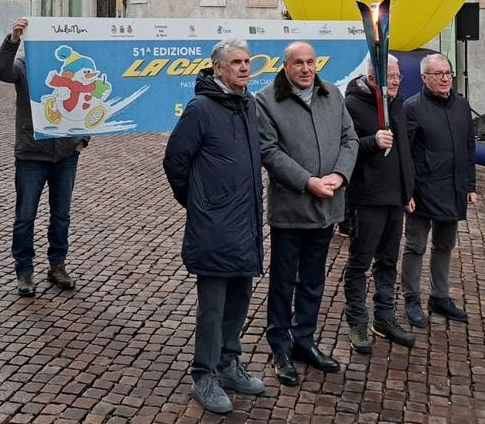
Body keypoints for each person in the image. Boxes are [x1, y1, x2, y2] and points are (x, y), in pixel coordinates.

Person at [162, 38, 267, 414]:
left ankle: (228, 364)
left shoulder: (248, 104)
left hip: (246, 224)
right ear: (219, 68)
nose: (244, 67)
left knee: (239, 298)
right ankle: (203, 376)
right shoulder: (200, 109)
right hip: (214, 226)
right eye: (236, 62)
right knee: (213, 306)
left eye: (247, 61)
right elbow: (175, 161)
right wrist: (198, 203)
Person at [256, 41, 358, 386]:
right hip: (291, 208)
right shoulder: (266, 101)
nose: (305, 69)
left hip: (327, 206)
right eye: (297, 63)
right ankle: (280, 347)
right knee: (283, 282)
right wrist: (306, 181)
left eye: (310, 62)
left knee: (313, 280)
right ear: (285, 66)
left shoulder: (332, 94)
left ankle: (304, 340)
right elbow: (269, 151)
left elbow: (349, 140)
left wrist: (339, 175)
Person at [0, 17, 88, 297]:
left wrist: (82, 139)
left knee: (61, 215)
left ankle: (57, 265)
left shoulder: (74, 72)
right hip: (31, 153)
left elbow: (90, 104)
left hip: (66, 154)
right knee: (25, 216)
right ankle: (24, 270)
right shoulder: (25, 66)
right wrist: (13, 40)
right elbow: (0, 71)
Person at [342, 55, 416, 354]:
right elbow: (344, 148)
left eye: (398, 76)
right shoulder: (352, 105)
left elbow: (404, 152)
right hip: (367, 199)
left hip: (395, 199)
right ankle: (357, 321)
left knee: (388, 262)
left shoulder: (397, 103)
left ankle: (384, 317)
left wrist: (407, 190)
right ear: (373, 79)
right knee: (359, 264)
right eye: (391, 77)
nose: (396, 81)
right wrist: (372, 141)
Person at [402, 53, 478, 326]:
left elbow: (469, 147)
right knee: (415, 245)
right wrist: (407, 191)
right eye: (439, 74)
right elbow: (405, 154)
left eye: (448, 73)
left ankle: (440, 296)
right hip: (422, 190)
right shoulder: (412, 107)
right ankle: (411, 298)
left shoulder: (462, 106)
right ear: (424, 77)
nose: (446, 78)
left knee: (445, 244)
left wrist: (470, 185)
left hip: (453, 188)